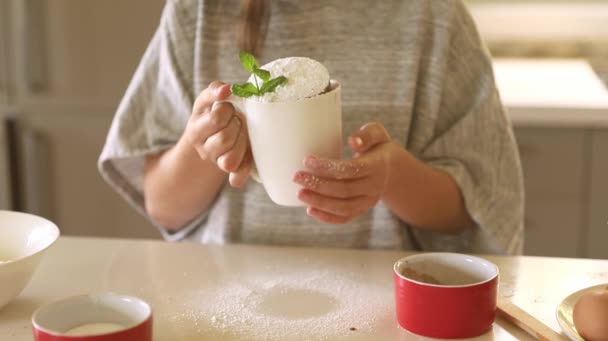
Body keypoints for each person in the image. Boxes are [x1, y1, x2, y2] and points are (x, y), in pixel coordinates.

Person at [98, 0, 524, 254]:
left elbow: (471, 213)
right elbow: (162, 204)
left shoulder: (433, 16)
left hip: (380, 306)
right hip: (228, 294)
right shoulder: (199, 11)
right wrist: (207, 147)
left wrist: (393, 177)